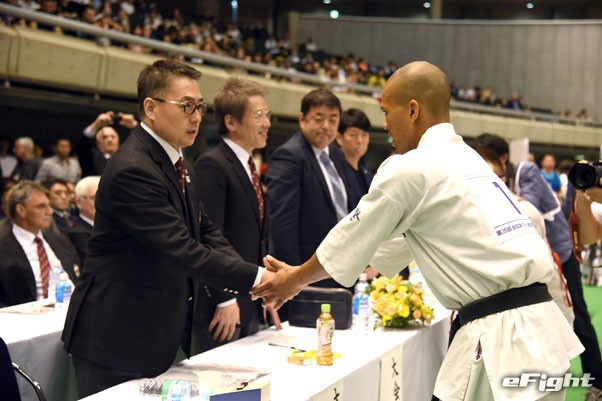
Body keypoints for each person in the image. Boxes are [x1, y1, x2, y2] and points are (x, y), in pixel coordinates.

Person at [252, 61, 582, 401]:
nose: (384, 124)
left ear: (412, 110)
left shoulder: (412, 168)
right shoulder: (468, 159)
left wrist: (294, 279)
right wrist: (350, 264)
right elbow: (389, 244)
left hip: (501, 343)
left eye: (386, 112)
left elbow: (351, 238)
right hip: (541, 333)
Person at [61, 59, 271, 398]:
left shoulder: (179, 164)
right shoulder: (134, 169)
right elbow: (183, 249)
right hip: (116, 335)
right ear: (151, 108)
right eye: (186, 106)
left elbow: (206, 231)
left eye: (200, 107)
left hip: (153, 329)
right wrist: (261, 280)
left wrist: (259, 275)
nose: (196, 116)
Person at [476, 133, 602, 399]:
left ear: (503, 159)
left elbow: (525, 209)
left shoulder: (526, 172)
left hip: (557, 254)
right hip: (528, 259)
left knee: (577, 314)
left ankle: (597, 380)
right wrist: (583, 197)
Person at [191, 77, 273, 353]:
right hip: (223, 308)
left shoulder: (249, 165)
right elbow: (207, 238)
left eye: (267, 115)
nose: (267, 123)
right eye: (258, 116)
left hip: (250, 302)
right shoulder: (212, 165)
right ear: (231, 122)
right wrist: (223, 298)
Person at [265, 88, 350, 289]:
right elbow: (282, 226)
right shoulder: (289, 156)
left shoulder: (336, 154)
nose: (326, 126)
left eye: (333, 120)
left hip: (339, 267)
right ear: (302, 119)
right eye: (318, 118)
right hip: (305, 270)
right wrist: (295, 278)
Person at [0, 181, 79, 307]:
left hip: (68, 310)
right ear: (21, 210)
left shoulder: (61, 241)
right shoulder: (3, 248)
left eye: (49, 206)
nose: (50, 212)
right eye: (41, 207)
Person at [336, 108, 373, 209]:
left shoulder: (366, 174)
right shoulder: (334, 170)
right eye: (353, 134)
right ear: (339, 138)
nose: (360, 141)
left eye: (364, 135)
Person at [67, 176, 100, 266]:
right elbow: (97, 263)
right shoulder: (78, 233)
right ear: (79, 202)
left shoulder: (114, 225)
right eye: (95, 198)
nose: (101, 202)